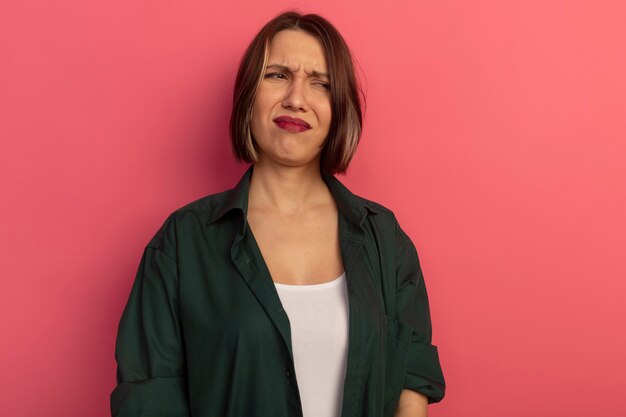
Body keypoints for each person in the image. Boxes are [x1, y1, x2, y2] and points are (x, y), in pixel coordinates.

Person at [110, 11, 445, 417]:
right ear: (249, 95)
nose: (296, 99)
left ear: (338, 109)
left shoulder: (385, 239)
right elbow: (150, 397)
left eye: (320, 83)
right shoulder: (182, 243)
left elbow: (412, 382)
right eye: (277, 75)